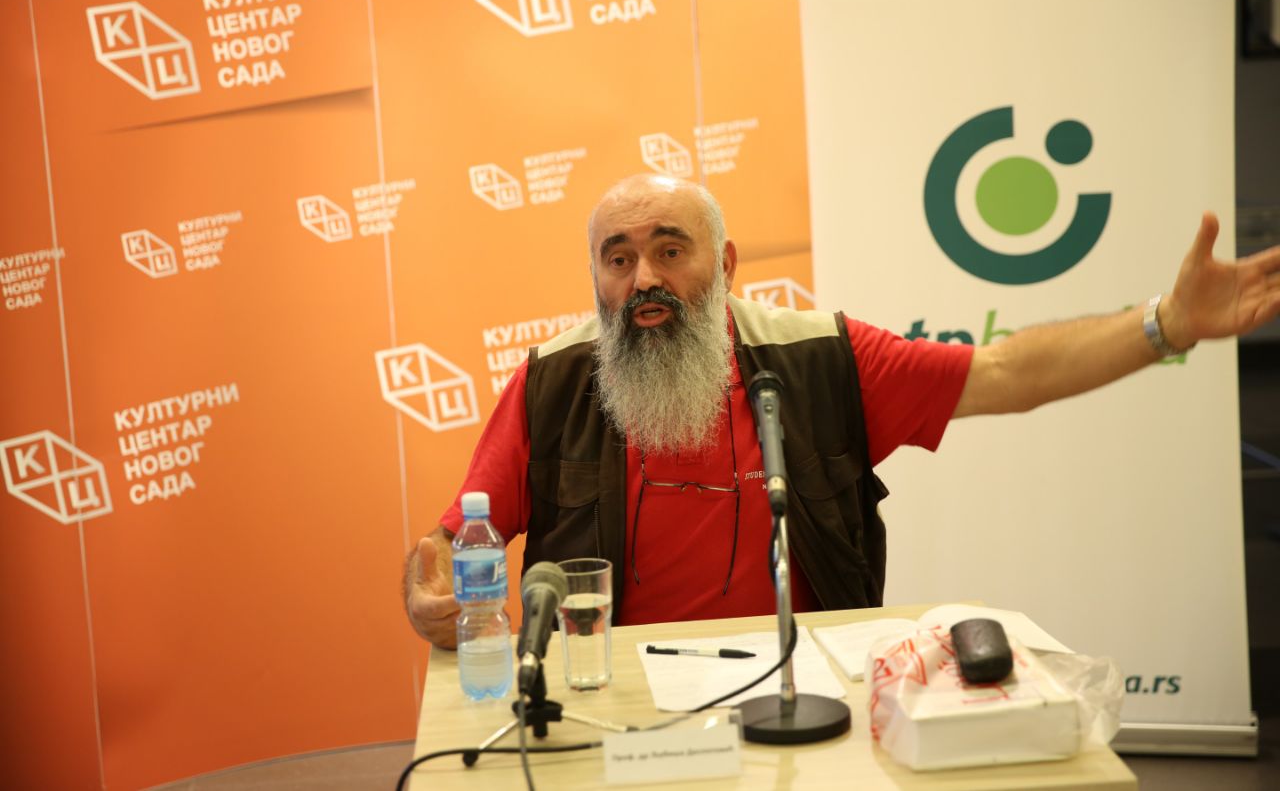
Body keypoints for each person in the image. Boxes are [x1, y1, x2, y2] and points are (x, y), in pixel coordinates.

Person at [405, 173, 1280, 649]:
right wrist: (428, 585)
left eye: (671, 250)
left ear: (727, 264)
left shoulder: (820, 357)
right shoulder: (553, 382)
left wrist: (1168, 324)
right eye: (620, 258)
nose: (645, 281)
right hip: (609, 696)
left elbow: (1006, 372)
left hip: (802, 685)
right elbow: (454, 536)